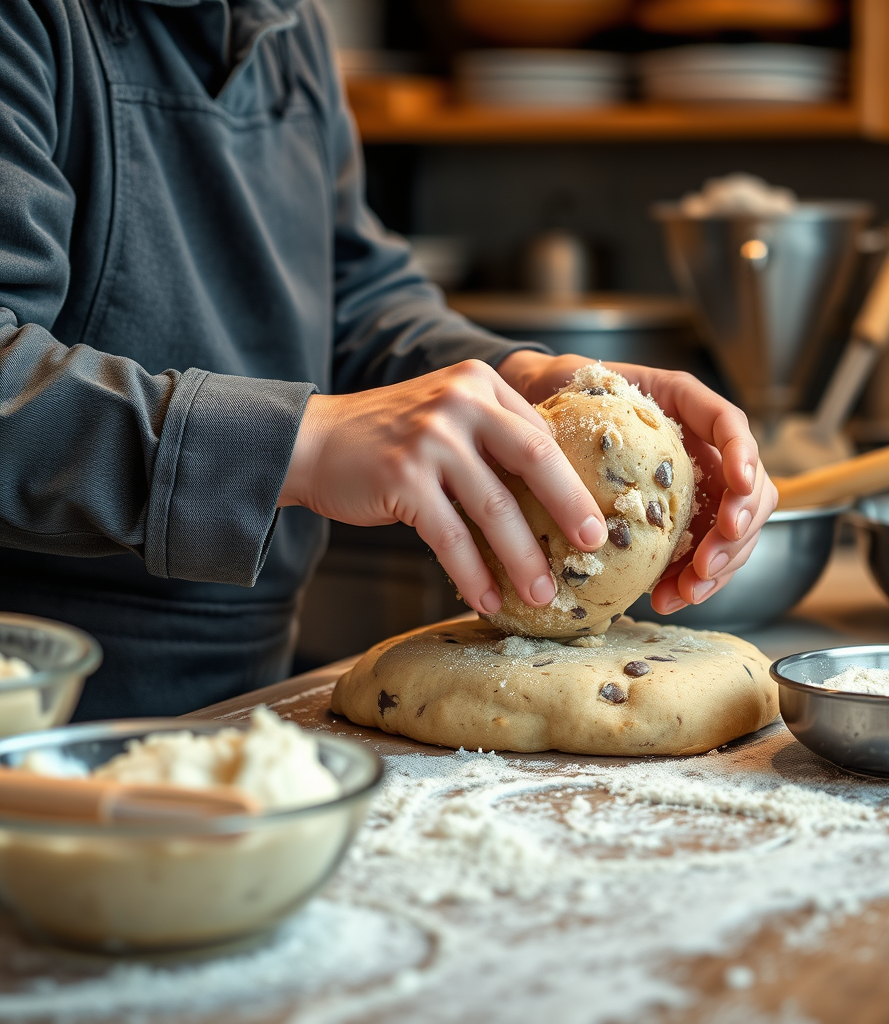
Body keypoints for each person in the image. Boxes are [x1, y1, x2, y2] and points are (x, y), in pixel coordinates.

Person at [0, 0, 777, 720]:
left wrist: (525, 388)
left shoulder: (285, 24)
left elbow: (353, 296)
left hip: (249, 696)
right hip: (39, 701)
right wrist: (300, 442)